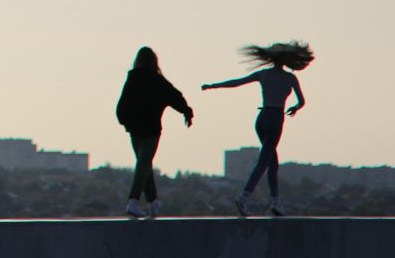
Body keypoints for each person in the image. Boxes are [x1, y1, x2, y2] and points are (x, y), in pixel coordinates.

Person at [202, 40, 313, 217]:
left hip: (261, 118)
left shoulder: (263, 75)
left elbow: (237, 82)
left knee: (272, 162)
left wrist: (213, 86)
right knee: (264, 162)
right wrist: (295, 108)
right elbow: (302, 101)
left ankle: (275, 202)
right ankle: (244, 197)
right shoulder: (290, 78)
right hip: (276, 119)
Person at [115, 46, 194, 219]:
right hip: (151, 130)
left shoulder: (132, 80)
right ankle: (133, 201)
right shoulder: (157, 81)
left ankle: (152, 202)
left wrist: (125, 123)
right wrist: (187, 111)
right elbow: (175, 97)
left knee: (144, 165)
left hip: (135, 130)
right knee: (144, 164)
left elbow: (121, 106)